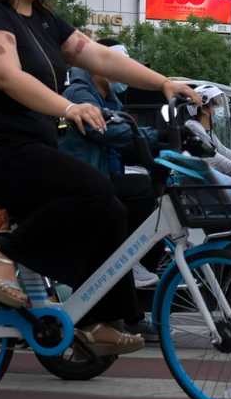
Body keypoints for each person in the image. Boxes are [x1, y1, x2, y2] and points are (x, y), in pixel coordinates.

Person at [0, 0, 201, 358]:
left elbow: (98, 55)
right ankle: (0, 254)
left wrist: (162, 82)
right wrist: (68, 108)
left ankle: (95, 320)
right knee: (91, 189)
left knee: (110, 209)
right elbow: (6, 76)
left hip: (30, 149)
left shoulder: (44, 19)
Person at [58, 38, 161, 289]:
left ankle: (132, 281)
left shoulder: (110, 99)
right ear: (99, 65)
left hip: (103, 175)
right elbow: (108, 131)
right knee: (141, 190)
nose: (123, 74)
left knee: (155, 217)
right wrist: (157, 136)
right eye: (118, 67)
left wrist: (161, 145)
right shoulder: (80, 94)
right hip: (82, 182)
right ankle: (124, 259)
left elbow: (123, 143)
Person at [184, 85, 231, 178]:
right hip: (192, 183)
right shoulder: (193, 130)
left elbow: (226, 153)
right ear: (204, 109)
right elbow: (214, 159)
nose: (221, 106)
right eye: (217, 103)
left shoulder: (208, 132)